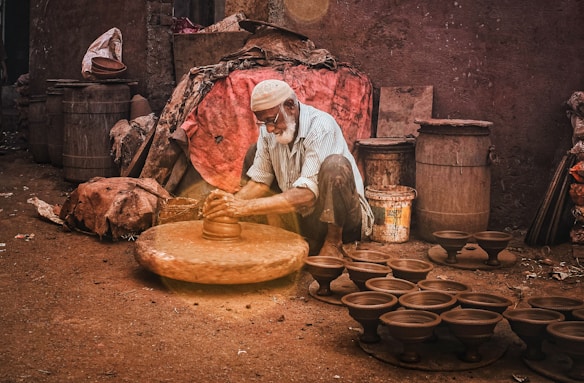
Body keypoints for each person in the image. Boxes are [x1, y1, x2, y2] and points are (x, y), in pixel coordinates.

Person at [203, 79, 373, 258]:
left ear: (290, 105)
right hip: (306, 217)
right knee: (253, 152)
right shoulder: (269, 132)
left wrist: (244, 207)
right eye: (263, 122)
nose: (269, 129)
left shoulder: (321, 126)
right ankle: (288, 236)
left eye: (271, 120)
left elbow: (306, 195)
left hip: (343, 220)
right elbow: (260, 182)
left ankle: (333, 243)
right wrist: (228, 204)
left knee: (335, 166)